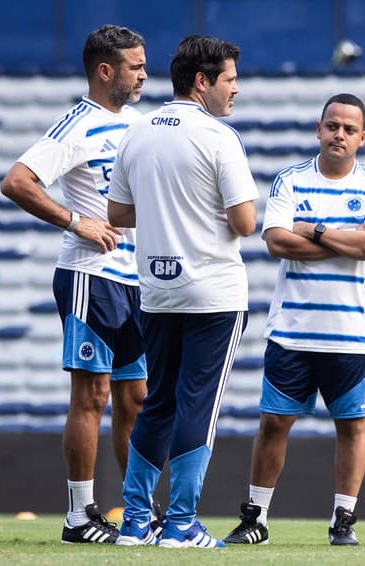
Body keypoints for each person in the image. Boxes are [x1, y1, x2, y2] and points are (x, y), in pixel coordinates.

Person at [223, 93, 365, 547]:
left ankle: (343, 520)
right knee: (274, 424)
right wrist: (349, 238)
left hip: (351, 333)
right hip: (293, 331)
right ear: (319, 129)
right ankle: (256, 517)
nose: (339, 134)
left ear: (363, 137)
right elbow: (277, 242)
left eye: (348, 129)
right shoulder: (291, 180)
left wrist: (314, 229)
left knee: (353, 427)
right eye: (331, 126)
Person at [0, 24, 150, 544]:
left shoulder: (136, 123)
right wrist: (75, 221)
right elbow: (16, 181)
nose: (144, 73)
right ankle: (79, 514)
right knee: (94, 394)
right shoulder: (77, 125)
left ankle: (137, 511)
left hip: (137, 281)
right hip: (92, 277)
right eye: (135, 65)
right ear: (106, 71)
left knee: (135, 399)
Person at [106, 34, 258, 549]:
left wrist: (166, 204)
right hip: (213, 293)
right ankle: (180, 523)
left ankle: (133, 522)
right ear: (202, 81)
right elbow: (244, 221)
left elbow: (117, 214)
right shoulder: (218, 137)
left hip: (157, 291)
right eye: (230, 80)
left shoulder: (136, 131)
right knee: (199, 406)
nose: (235, 90)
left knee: (157, 404)